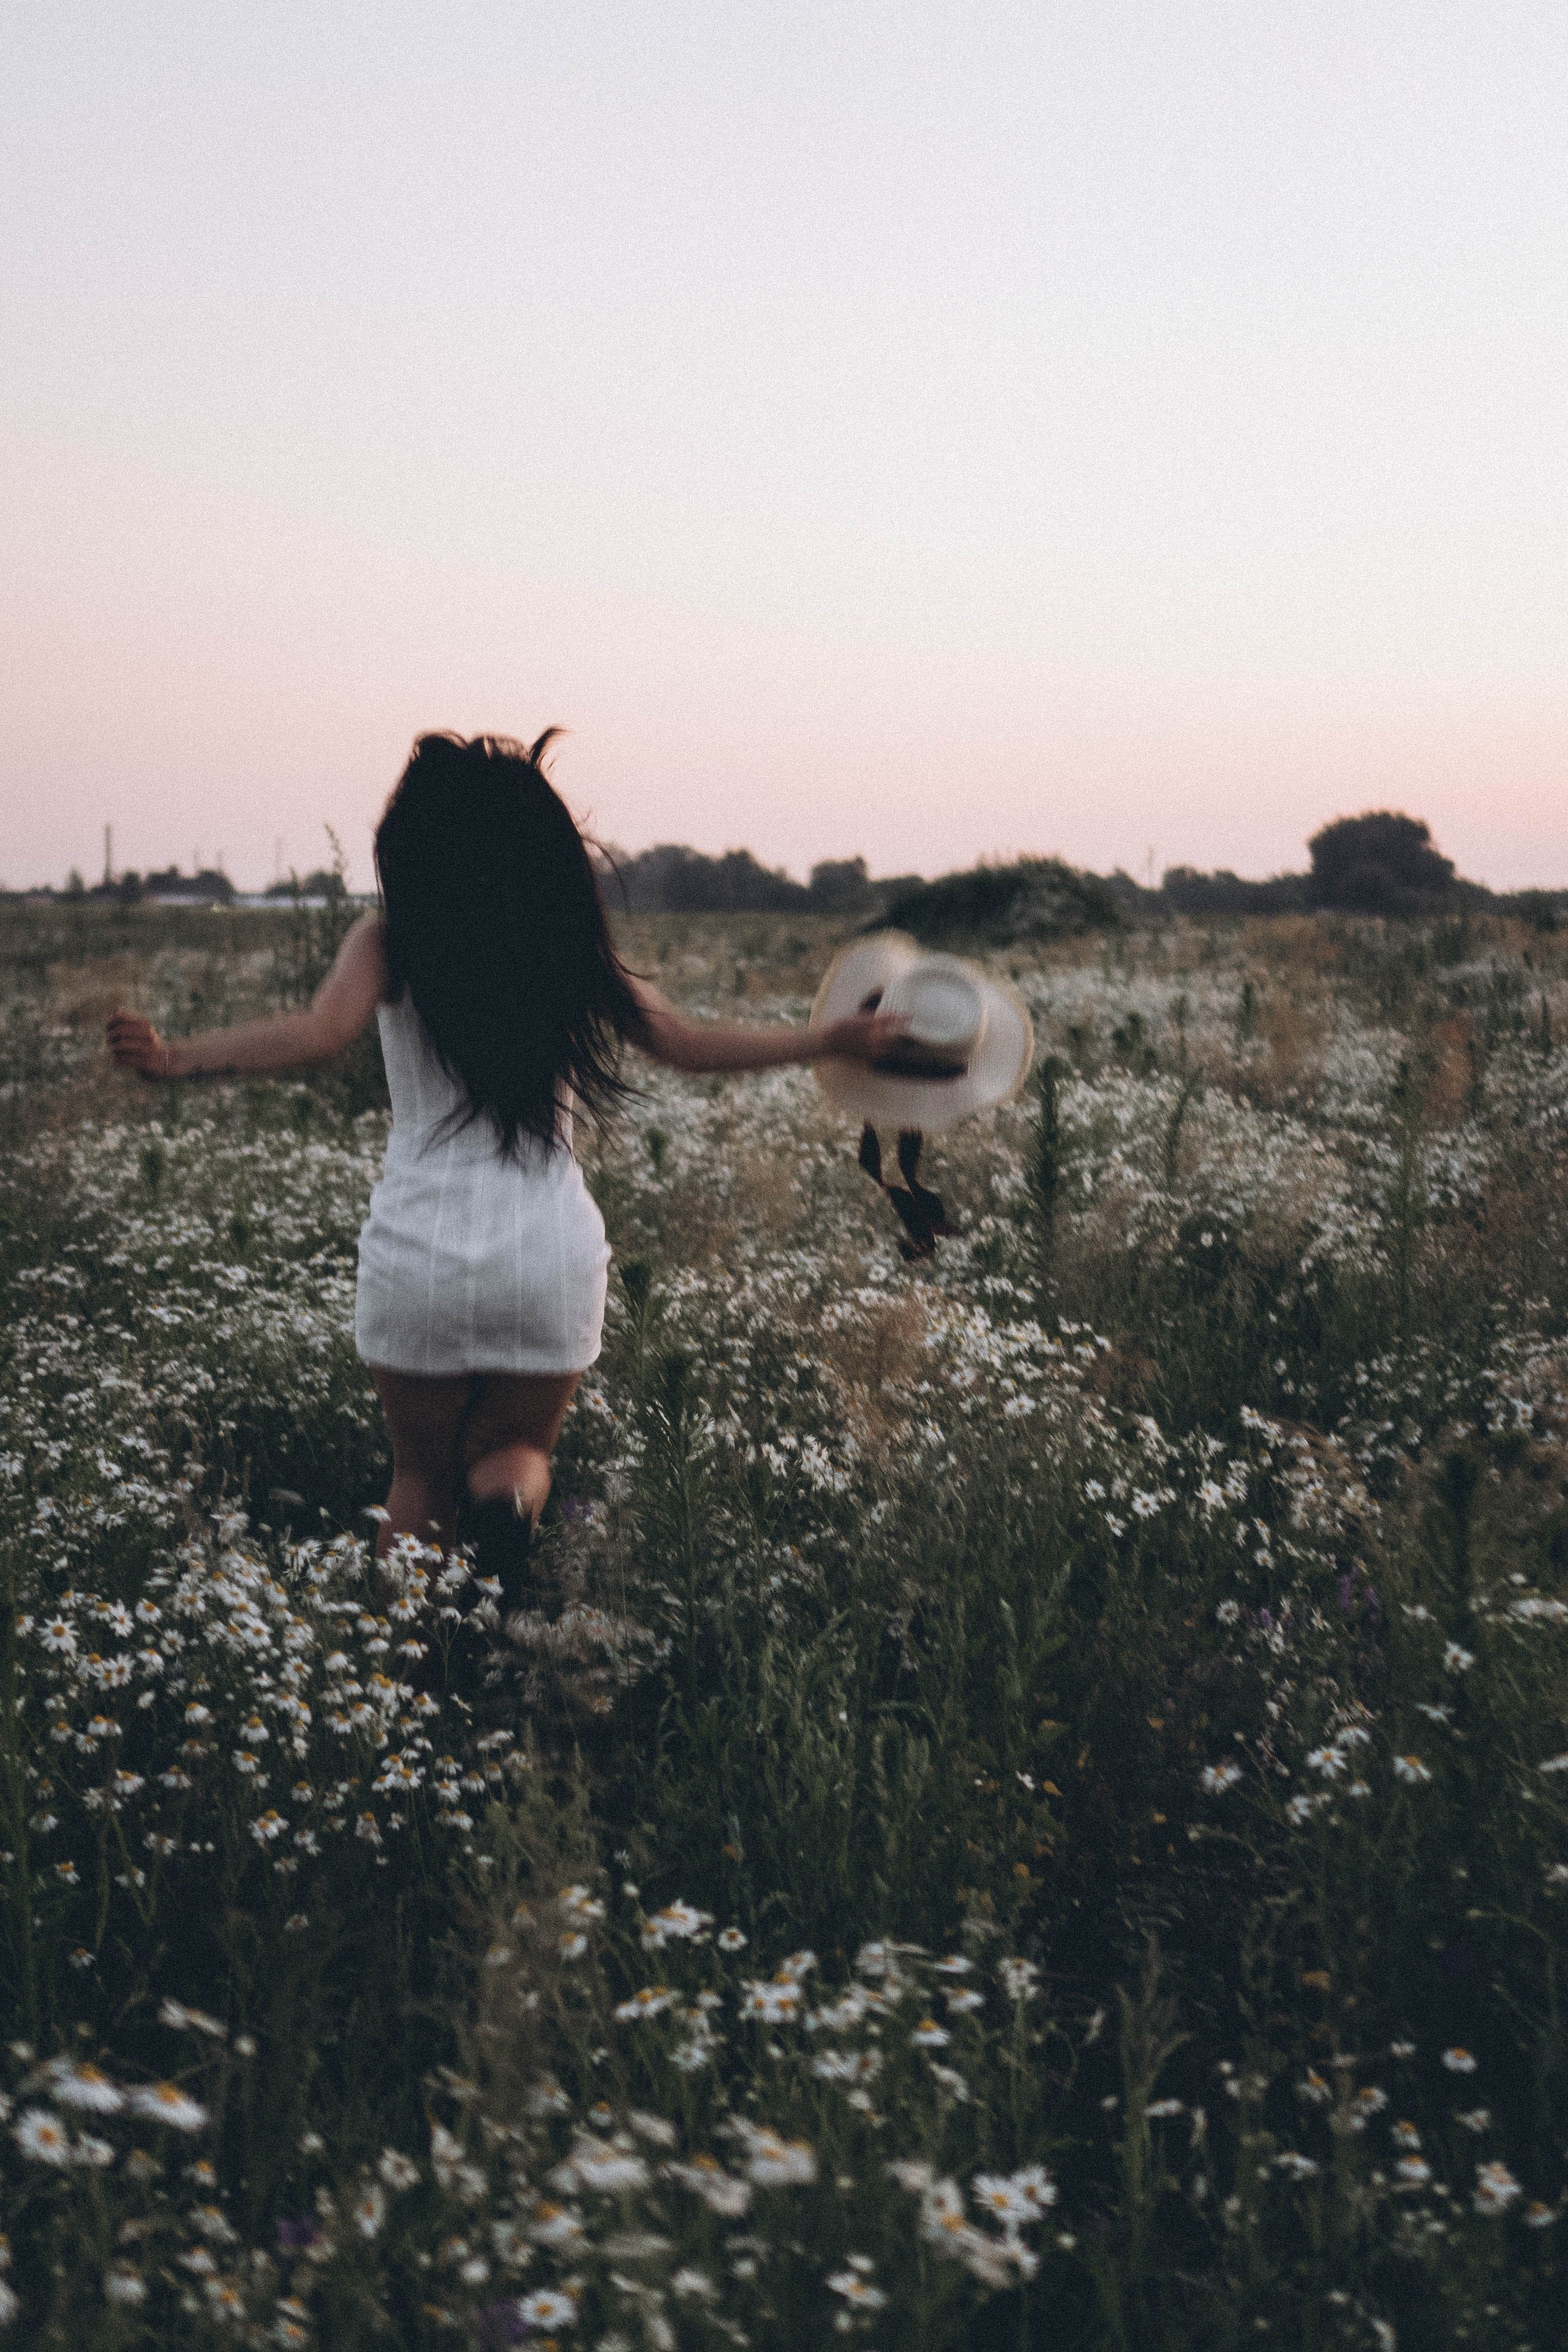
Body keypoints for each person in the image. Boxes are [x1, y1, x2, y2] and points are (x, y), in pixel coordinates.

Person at [107, 729, 903, 1635]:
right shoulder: (565, 943)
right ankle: (507, 1511)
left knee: (418, 1477)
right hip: (545, 1251)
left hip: (421, 1251)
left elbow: (318, 1032)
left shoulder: (390, 941)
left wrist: (174, 1059)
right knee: (518, 1450)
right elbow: (684, 1044)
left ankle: (409, 1675)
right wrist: (828, 1040)